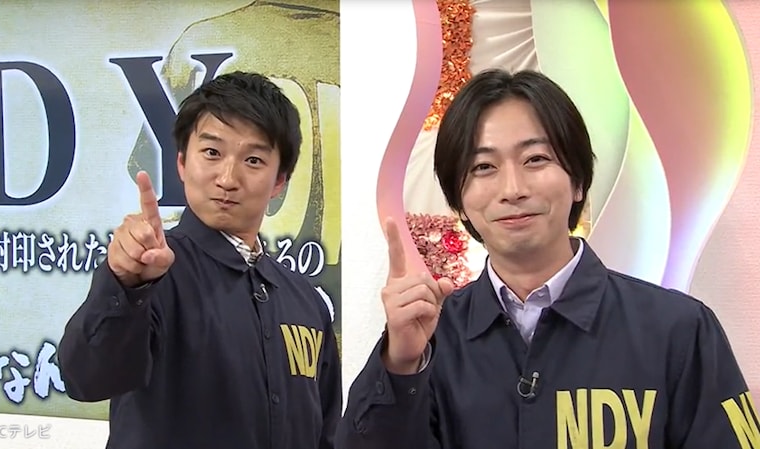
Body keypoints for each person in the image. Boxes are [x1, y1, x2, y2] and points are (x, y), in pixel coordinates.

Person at [335, 69, 754, 448]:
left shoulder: (679, 329)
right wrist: (401, 365)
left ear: (577, 181)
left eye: (536, 159)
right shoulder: (430, 339)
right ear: (459, 201)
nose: (513, 189)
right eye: (483, 167)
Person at [58, 71, 341, 449]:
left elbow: (326, 433)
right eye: (212, 153)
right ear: (182, 163)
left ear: (279, 181)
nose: (228, 178)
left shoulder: (306, 303)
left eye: (253, 159)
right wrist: (124, 284)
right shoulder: (150, 277)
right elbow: (86, 380)